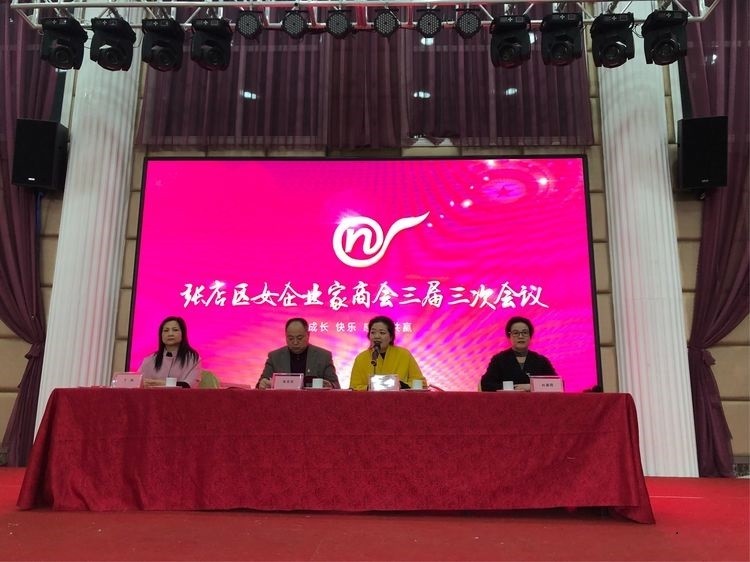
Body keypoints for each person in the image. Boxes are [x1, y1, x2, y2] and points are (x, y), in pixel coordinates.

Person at [256, 318, 340, 389]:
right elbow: (260, 385)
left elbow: (336, 386)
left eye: (299, 338)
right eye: (291, 338)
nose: (295, 342)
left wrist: (331, 385)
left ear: (308, 335)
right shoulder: (274, 357)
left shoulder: (324, 356)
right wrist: (262, 383)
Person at [350, 315, 427, 391]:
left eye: (382, 333)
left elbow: (421, 384)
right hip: (370, 399)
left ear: (391, 337)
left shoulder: (404, 355)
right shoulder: (361, 358)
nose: (377, 336)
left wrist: (401, 385)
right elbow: (354, 387)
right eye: (373, 332)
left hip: (399, 398)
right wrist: (371, 387)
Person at [480, 316, 556, 392]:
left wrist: (531, 387)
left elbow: (556, 384)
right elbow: (486, 385)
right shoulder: (499, 360)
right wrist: (513, 387)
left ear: (530, 336)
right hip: (507, 399)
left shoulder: (541, 361)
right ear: (509, 336)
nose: (520, 336)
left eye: (525, 332)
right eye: (516, 333)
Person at [138, 316, 202, 388]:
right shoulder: (150, 359)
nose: (170, 334)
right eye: (166, 330)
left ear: (183, 334)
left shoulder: (193, 359)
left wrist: (163, 383)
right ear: (161, 335)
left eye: (175, 330)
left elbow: (190, 385)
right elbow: (137, 382)